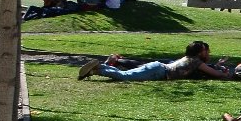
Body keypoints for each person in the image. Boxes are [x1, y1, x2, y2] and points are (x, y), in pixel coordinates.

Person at [77, 40, 231, 81]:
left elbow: (209, 69)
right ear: (199, 52)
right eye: (205, 50)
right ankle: (100, 69)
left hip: (159, 69)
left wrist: (217, 66)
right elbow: (215, 74)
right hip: (160, 71)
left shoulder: (190, 59)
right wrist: (228, 75)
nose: (207, 52)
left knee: (129, 74)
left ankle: (96, 69)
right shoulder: (196, 61)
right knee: (127, 76)